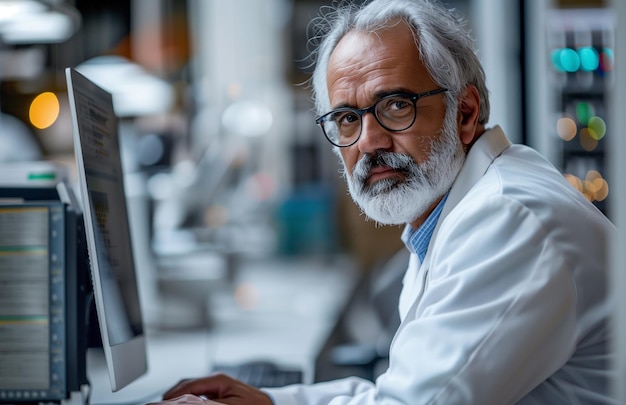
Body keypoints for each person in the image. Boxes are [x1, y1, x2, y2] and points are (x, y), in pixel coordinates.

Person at [152, 0, 617, 403]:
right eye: (347, 118)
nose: (370, 141)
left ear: (467, 113)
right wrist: (272, 401)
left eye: (396, 105)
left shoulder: (510, 218)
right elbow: (402, 390)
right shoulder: (453, 211)